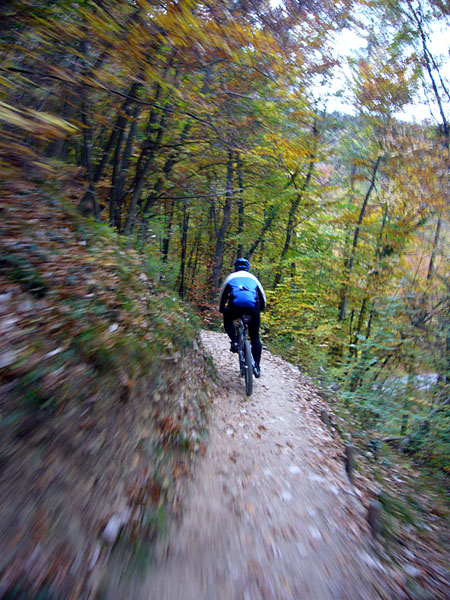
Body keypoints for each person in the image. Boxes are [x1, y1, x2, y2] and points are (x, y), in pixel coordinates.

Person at [218, 257, 266, 378]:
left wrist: (221, 309)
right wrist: (259, 310)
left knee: (228, 317)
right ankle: (257, 367)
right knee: (255, 337)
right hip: (253, 308)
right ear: (248, 268)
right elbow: (263, 298)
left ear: (235, 267)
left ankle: (234, 341)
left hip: (235, 308)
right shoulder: (254, 279)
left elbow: (222, 296)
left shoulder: (230, 278)